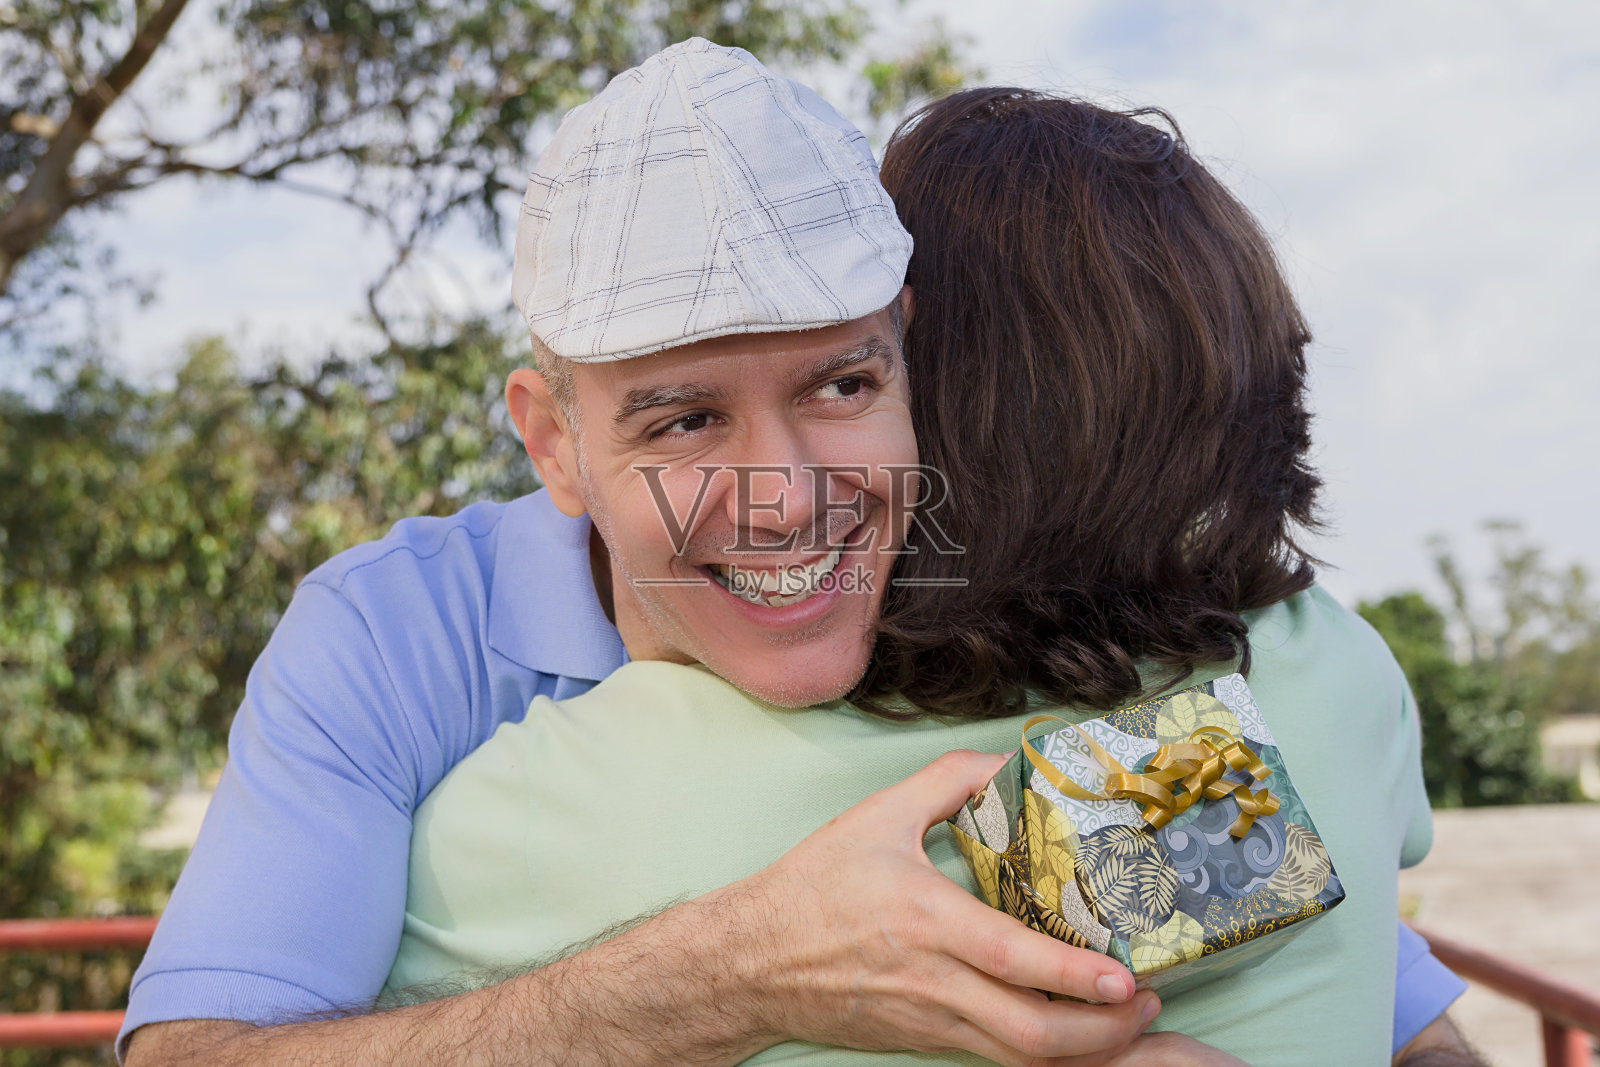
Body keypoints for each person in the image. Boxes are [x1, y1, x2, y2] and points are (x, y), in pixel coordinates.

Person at [120, 44, 1473, 1067]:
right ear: (554, 443)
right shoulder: (394, 639)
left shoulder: (1020, 645)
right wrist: (730, 971)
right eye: (686, 417)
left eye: (840, 386)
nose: (784, 502)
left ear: (921, 368)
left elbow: (1369, 971)